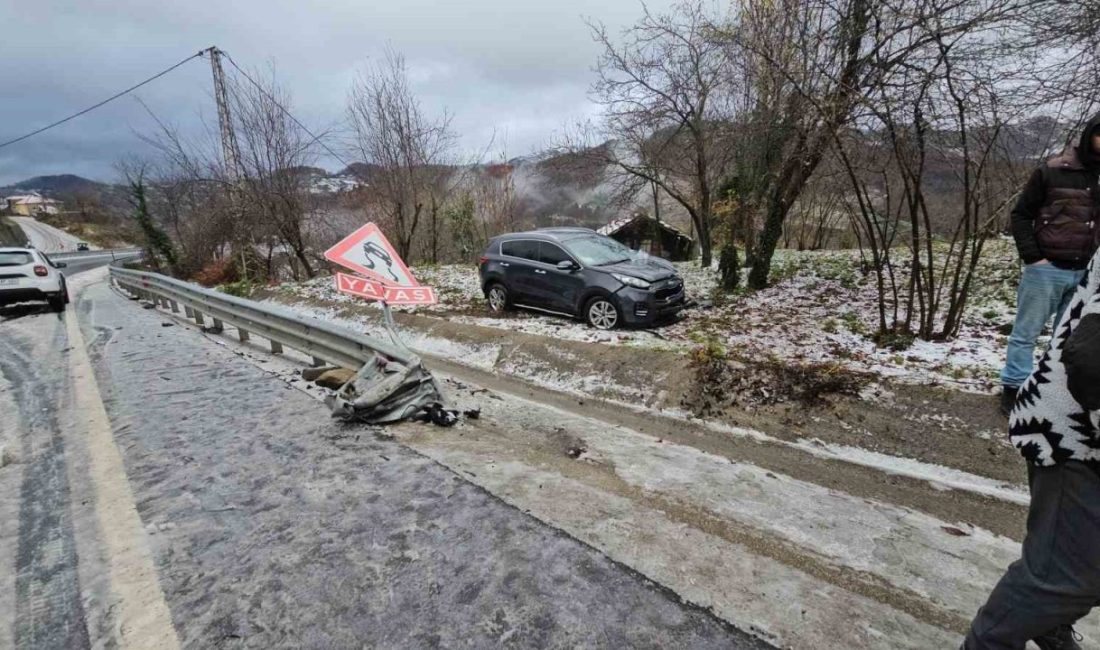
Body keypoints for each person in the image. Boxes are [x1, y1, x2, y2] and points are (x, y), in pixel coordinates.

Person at [964, 248, 1100, 649]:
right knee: (1059, 577)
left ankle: (1046, 621)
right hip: (1070, 435)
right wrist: (1036, 255)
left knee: (1074, 569)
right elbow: (1091, 361)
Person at [1001, 115, 1100, 416]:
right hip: (1047, 269)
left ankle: (1049, 392)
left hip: (1087, 274)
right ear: (1089, 135)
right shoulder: (1053, 171)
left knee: (1066, 340)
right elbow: (1021, 215)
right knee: (1026, 332)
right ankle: (1014, 389)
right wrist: (1034, 258)